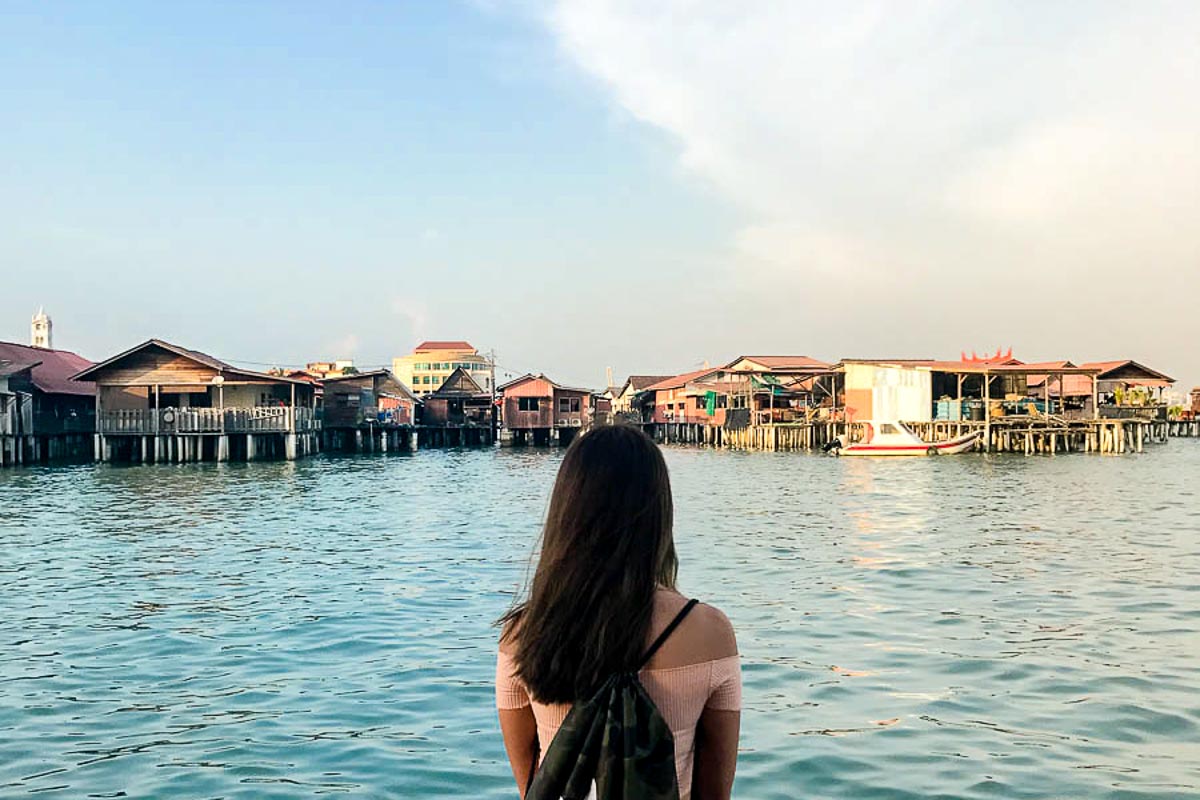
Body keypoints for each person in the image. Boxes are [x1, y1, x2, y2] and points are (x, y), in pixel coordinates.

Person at [495, 424, 741, 800]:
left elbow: (533, 783)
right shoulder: (710, 631)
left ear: (567, 512)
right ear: (659, 512)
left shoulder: (522, 635)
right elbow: (715, 794)